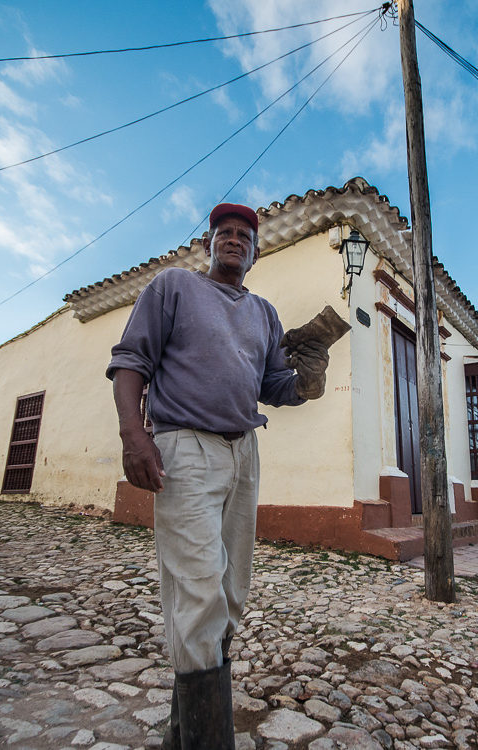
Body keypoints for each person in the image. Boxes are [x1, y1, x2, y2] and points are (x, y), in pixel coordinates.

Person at [106, 203, 333, 750]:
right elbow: (131, 360)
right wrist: (133, 436)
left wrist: (308, 377)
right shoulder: (174, 288)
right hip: (183, 448)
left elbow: (273, 387)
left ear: (255, 252)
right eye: (223, 234)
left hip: (243, 455)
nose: (233, 241)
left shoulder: (264, 313)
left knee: (231, 594)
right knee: (199, 591)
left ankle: (185, 735)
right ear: (208, 244)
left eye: (244, 236)